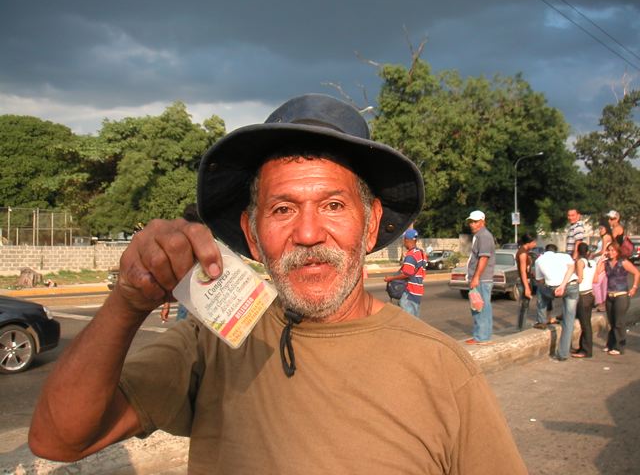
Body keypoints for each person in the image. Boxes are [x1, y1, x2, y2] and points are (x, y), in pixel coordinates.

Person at [29, 94, 527, 473]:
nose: (308, 234)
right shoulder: (213, 341)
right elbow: (59, 440)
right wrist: (127, 301)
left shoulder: (444, 370)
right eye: (283, 209)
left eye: (333, 205)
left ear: (371, 223)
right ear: (252, 233)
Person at [534, 244, 579, 361]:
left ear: (545, 251)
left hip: (554, 289)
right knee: (569, 321)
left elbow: (539, 280)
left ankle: (542, 320)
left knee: (540, 290)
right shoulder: (565, 256)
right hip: (572, 286)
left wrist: (558, 286)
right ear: (555, 251)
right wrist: (563, 285)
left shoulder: (539, 260)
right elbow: (571, 269)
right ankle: (563, 354)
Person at [595, 242, 640, 355]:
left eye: (613, 250)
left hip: (621, 295)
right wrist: (600, 261)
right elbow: (596, 278)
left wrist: (634, 287)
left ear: (617, 251)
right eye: (609, 250)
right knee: (612, 321)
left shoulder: (623, 262)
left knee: (619, 322)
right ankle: (610, 344)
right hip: (610, 295)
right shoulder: (606, 264)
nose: (610, 252)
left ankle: (619, 346)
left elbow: (636, 273)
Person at [464, 210, 496, 345]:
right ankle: (484, 336)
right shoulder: (480, 236)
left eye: (475, 221)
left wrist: (476, 277)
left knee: (479, 308)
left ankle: (481, 337)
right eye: (471, 222)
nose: (472, 224)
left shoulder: (484, 236)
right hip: (481, 278)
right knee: (483, 307)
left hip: (481, 279)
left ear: (483, 222)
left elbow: (484, 258)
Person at [383, 228, 426, 317]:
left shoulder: (410, 255)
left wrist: (390, 279)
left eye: (403, 239)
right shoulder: (421, 253)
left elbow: (406, 274)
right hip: (418, 290)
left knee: (408, 321)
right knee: (415, 320)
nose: (403, 242)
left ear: (406, 239)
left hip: (410, 292)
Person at [572, 243, 597, 358]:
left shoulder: (580, 262)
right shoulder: (592, 262)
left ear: (577, 251)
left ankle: (586, 350)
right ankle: (583, 347)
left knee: (585, 324)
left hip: (582, 296)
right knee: (586, 323)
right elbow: (595, 278)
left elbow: (580, 279)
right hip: (590, 294)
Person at [516, 233, 537, 330]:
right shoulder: (523, 253)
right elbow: (523, 271)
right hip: (523, 281)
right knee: (524, 305)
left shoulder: (525, 252)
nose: (535, 244)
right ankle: (521, 327)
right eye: (534, 242)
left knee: (525, 304)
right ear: (529, 242)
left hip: (526, 280)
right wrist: (527, 287)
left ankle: (521, 326)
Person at [593, 219, 613, 312]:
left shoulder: (606, 237)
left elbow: (603, 251)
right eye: (599, 228)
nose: (600, 230)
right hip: (604, 260)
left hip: (602, 260)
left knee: (596, 283)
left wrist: (593, 254)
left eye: (601, 228)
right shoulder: (607, 236)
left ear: (606, 228)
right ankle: (603, 303)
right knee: (603, 283)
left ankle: (600, 303)